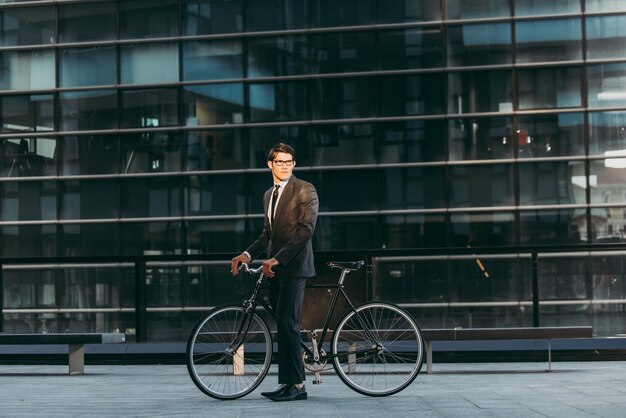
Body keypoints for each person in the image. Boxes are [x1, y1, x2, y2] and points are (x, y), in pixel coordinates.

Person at [231, 142, 319, 402]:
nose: (285, 166)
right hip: (275, 268)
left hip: (294, 267)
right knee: (282, 324)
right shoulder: (269, 194)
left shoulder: (305, 189)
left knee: (288, 323)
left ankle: (299, 387)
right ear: (270, 164)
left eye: (289, 161)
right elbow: (268, 234)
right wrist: (247, 254)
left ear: (294, 164)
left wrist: (277, 259)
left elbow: (306, 230)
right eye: (280, 161)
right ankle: (288, 382)